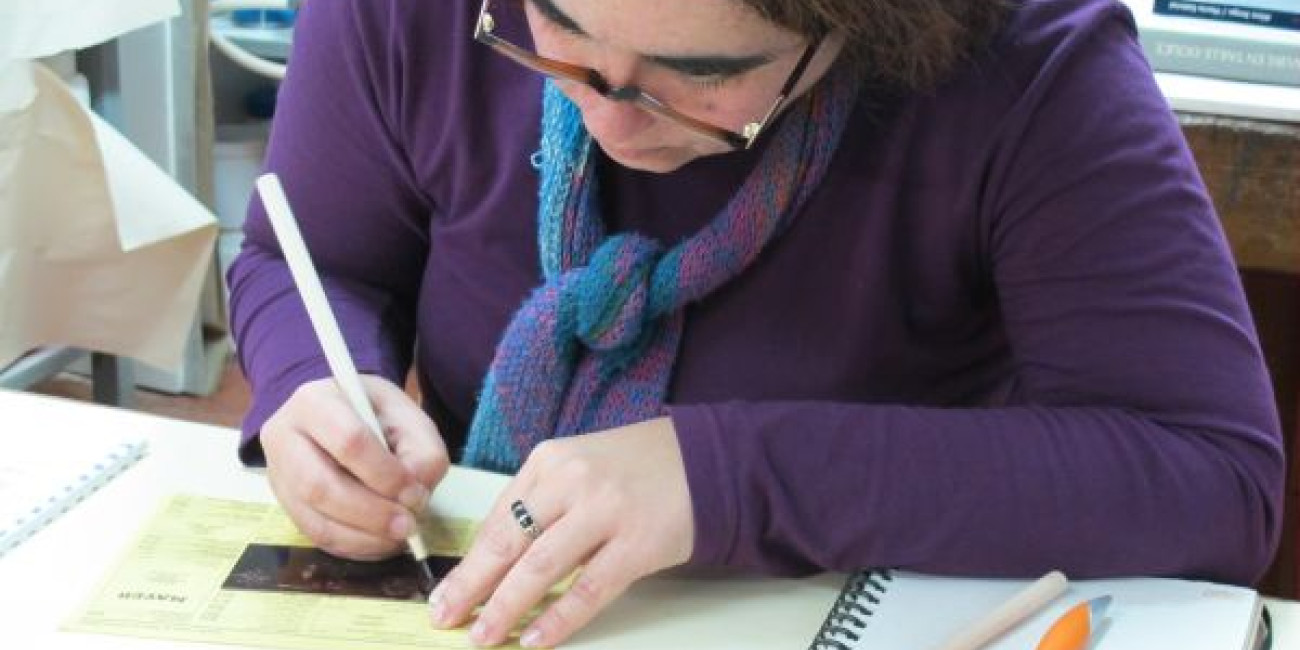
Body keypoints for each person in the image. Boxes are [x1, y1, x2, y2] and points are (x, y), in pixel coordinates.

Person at [228, 0, 1285, 647]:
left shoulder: (1028, 62)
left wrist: (719, 473)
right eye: (560, 26)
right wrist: (312, 382)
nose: (606, 114)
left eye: (705, 75)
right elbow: (308, 258)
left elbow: (1208, 473)